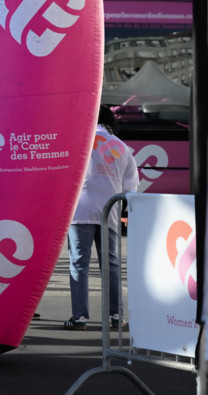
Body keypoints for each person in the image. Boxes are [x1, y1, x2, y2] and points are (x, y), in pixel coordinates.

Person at [65, 105, 139, 331]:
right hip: (110, 211)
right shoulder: (122, 148)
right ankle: (116, 316)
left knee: (79, 264)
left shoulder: (78, 142)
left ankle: (79, 318)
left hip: (80, 211)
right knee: (112, 265)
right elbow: (131, 188)